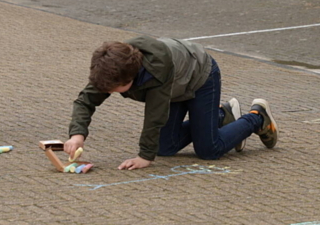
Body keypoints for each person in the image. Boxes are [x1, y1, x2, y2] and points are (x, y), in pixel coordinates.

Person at [65, 36, 278, 170]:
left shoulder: (155, 73)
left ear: (129, 78)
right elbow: (85, 100)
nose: (109, 92)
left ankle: (256, 118)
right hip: (176, 87)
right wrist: (77, 134)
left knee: (209, 150)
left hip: (200, 77)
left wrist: (144, 157)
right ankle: (223, 114)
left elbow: (155, 117)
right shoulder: (112, 67)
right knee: (165, 147)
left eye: (113, 88)